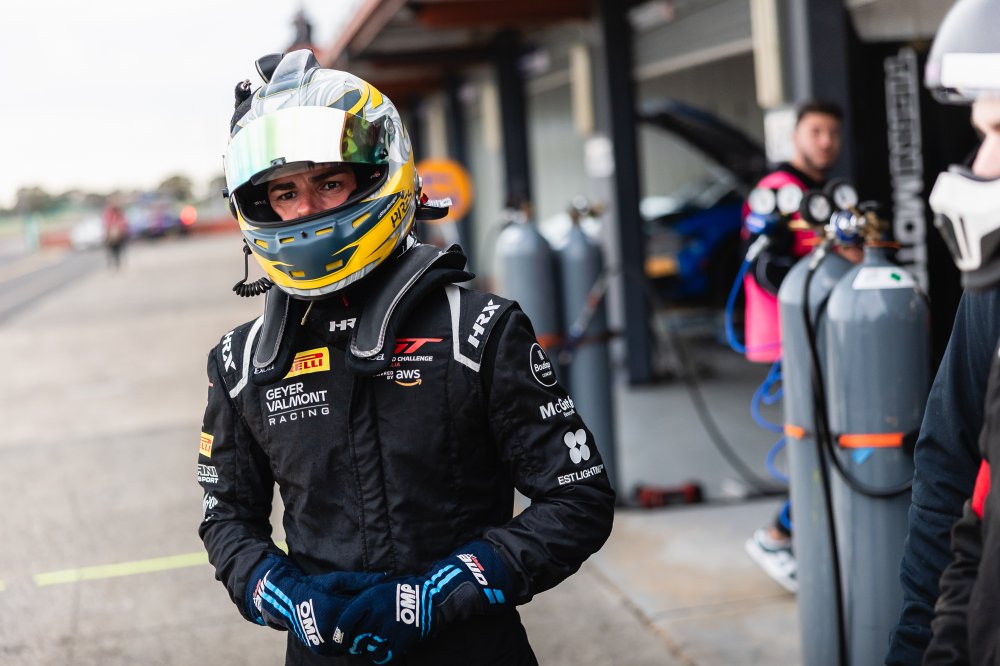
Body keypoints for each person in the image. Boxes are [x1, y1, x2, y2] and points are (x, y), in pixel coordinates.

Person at [196, 50, 615, 666]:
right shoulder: (242, 361)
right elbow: (226, 516)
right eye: (285, 192)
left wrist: (438, 594)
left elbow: (578, 500)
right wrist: (282, 593)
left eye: (328, 183)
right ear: (258, 207)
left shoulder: (479, 330)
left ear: (377, 178)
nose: (305, 210)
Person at [883, 1, 1000, 663]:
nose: (982, 165)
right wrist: (921, 647)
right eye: (982, 132)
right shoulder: (995, 294)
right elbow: (955, 479)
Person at [742, 100, 843, 594]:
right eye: (816, 131)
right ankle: (776, 535)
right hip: (791, 337)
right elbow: (766, 268)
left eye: (833, 133)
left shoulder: (820, 192)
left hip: (820, 332)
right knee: (817, 442)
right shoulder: (779, 190)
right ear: (796, 135)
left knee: (831, 439)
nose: (826, 141)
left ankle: (798, 535)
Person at [102, 200, 128, 269]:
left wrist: (120, 230)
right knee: (111, 249)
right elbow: (106, 223)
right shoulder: (108, 213)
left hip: (119, 234)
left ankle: (117, 263)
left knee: (118, 249)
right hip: (111, 234)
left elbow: (124, 223)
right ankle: (112, 262)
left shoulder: (120, 213)